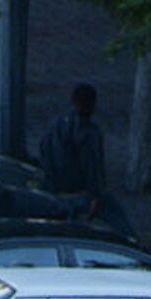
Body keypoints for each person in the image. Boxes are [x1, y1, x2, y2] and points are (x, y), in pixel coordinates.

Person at [37, 82, 112, 218]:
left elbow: (43, 152)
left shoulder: (55, 127)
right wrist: (97, 195)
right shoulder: (90, 134)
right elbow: (93, 167)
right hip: (79, 194)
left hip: (52, 190)